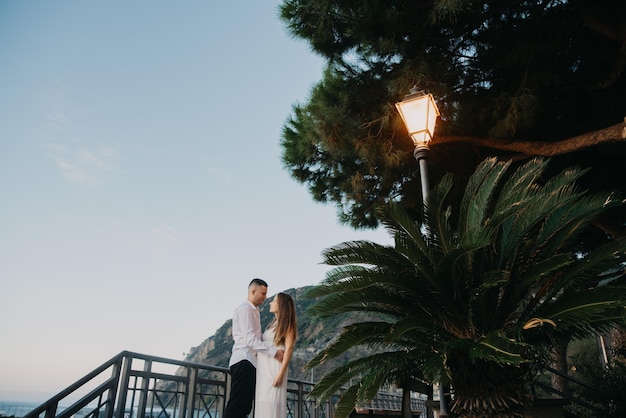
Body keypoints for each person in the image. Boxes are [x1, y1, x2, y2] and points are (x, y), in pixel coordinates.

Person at [223, 278, 284, 418]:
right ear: (253, 291)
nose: (265, 297)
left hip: (249, 362)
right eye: (263, 293)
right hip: (244, 360)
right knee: (237, 407)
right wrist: (275, 353)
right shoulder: (245, 310)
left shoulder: (254, 310)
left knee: (243, 407)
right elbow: (250, 340)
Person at [254, 292, 298, 418]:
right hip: (263, 371)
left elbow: (289, 348)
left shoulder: (287, 325)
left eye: (274, 301)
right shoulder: (272, 325)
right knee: (263, 405)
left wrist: (280, 374)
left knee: (272, 405)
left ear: (281, 305)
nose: (270, 303)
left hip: (274, 371)